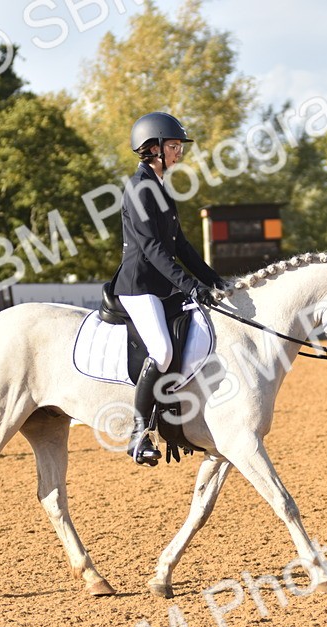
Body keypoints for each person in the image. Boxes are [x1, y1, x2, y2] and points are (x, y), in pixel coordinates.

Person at [114, 111, 228, 467]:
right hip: (139, 286)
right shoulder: (139, 188)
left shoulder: (162, 188)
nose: (180, 152)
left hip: (163, 285)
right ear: (153, 149)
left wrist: (215, 281)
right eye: (174, 146)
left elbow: (181, 247)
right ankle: (138, 433)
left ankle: (178, 417)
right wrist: (191, 287)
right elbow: (153, 250)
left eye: (179, 146)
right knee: (162, 350)